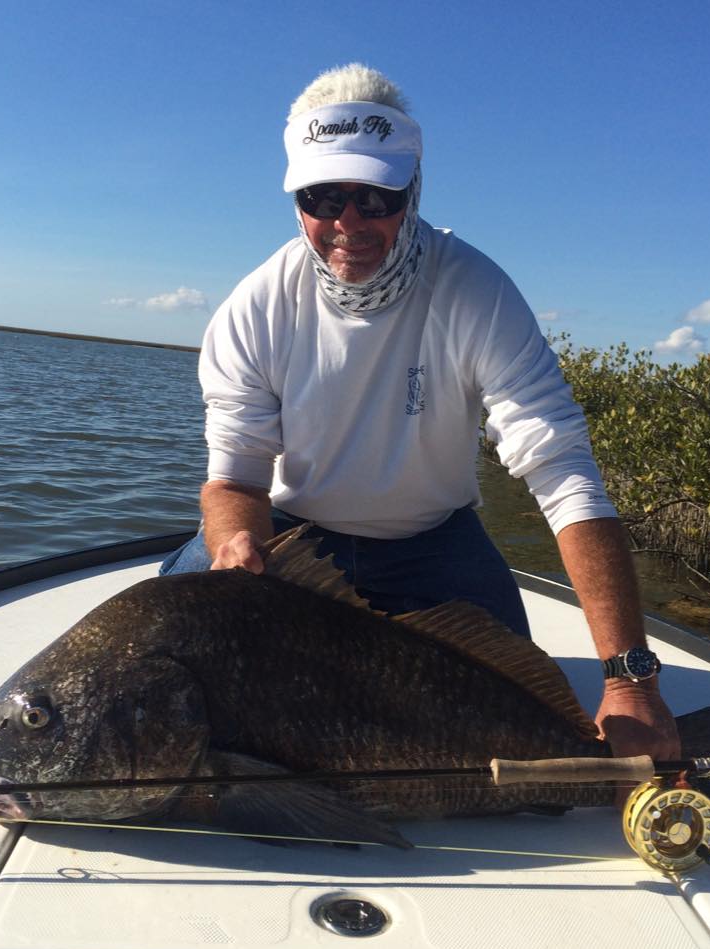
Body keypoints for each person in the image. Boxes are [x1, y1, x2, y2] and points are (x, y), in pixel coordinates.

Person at [162, 63, 680, 764]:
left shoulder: (476, 291)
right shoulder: (252, 309)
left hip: (433, 542)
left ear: (413, 190)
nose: (349, 222)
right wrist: (237, 549)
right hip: (291, 541)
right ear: (297, 201)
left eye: (377, 197)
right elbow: (236, 483)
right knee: (173, 636)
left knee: (519, 701)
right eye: (324, 197)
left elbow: (562, 472)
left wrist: (631, 681)